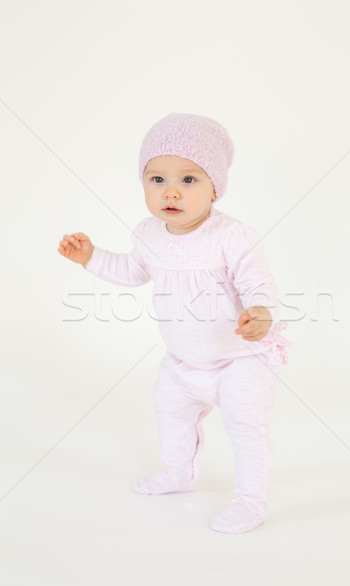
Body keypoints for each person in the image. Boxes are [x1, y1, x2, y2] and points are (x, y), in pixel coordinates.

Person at [58, 113, 292, 534]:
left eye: (189, 180)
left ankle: (251, 500)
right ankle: (178, 474)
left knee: (244, 423)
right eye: (156, 179)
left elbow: (259, 282)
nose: (171, 191)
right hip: (183, 361)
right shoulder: (149, 233)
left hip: (240, 357)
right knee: (170, 413)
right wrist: (90, 257)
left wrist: (259, 311)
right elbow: (131, 271)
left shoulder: (231, 235)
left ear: (214, 187)